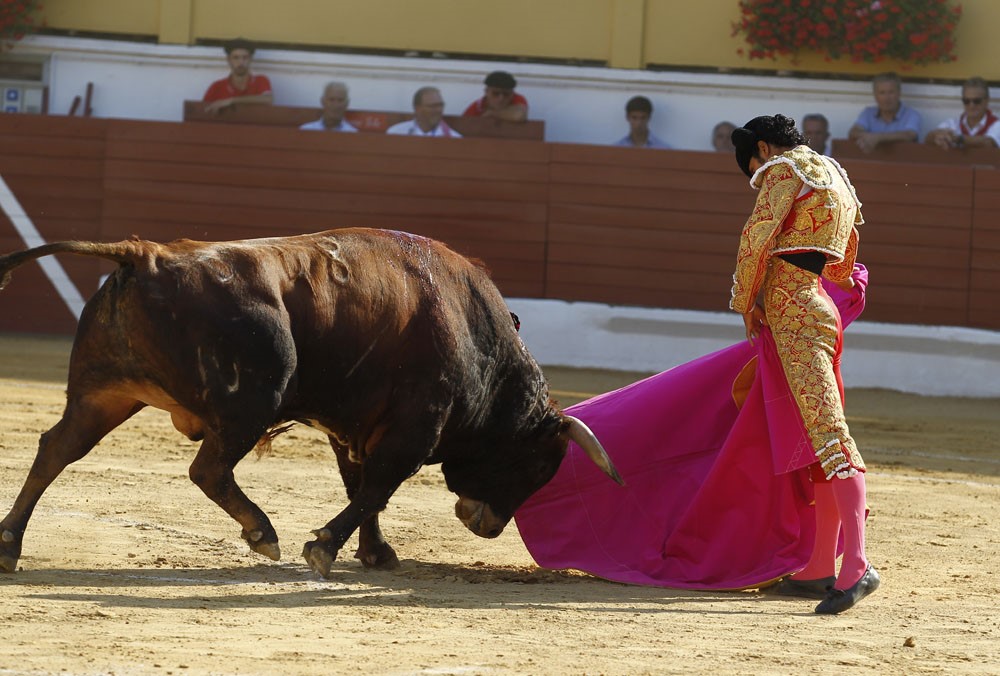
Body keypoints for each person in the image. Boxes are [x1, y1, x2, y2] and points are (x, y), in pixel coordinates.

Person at [729, 114, 876, 614]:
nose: (757, 172)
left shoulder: (783, 171)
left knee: (829, 436)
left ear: (765, 149)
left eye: (753, 163)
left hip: (794, 313)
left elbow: (756, 238)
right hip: (819, 307)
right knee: (815, 439)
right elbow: (842, 257)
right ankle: (817, 566)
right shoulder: (834, 173)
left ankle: (856, 564)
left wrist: (745, 299)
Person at [848, 71, 921, 152]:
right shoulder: (868, 113)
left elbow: (909, 135)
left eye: (891, 92)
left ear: (899, 93)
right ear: (875, 95)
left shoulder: (911, 114)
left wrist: (878, 138)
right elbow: (853, 132)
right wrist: (869, 137)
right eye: (882, 93)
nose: (887, 98)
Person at [924, 77, 1000, 150]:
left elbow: (988, 143)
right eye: (966, 101)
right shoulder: (953, 123)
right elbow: (928, 140)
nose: (971, 105)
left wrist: (958, 139)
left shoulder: (997, 125)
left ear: (987, 101)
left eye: (977, 101)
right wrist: (937, 136)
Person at [203, 38, 273, 114]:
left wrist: (231, 100)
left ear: (251, 59)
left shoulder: (261, 80)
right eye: (236, 58)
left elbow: (268, 99)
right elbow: (202, 111)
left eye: (245, 57)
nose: (241, 62)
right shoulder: (217, 86)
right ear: (228, 60)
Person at [386, 87, 462, 137]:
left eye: (440, 105)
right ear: (417, 108)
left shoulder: (454, 137)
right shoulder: (396, 132)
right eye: (433, 106)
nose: (438, 110)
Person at [462, 70, 528, 122]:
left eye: (506, 94)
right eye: (495, 93)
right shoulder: (478, 106)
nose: (501, 98)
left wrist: (492, 113)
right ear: (486, 92)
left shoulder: (518, 98)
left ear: (512, 94)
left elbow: (519, 116)